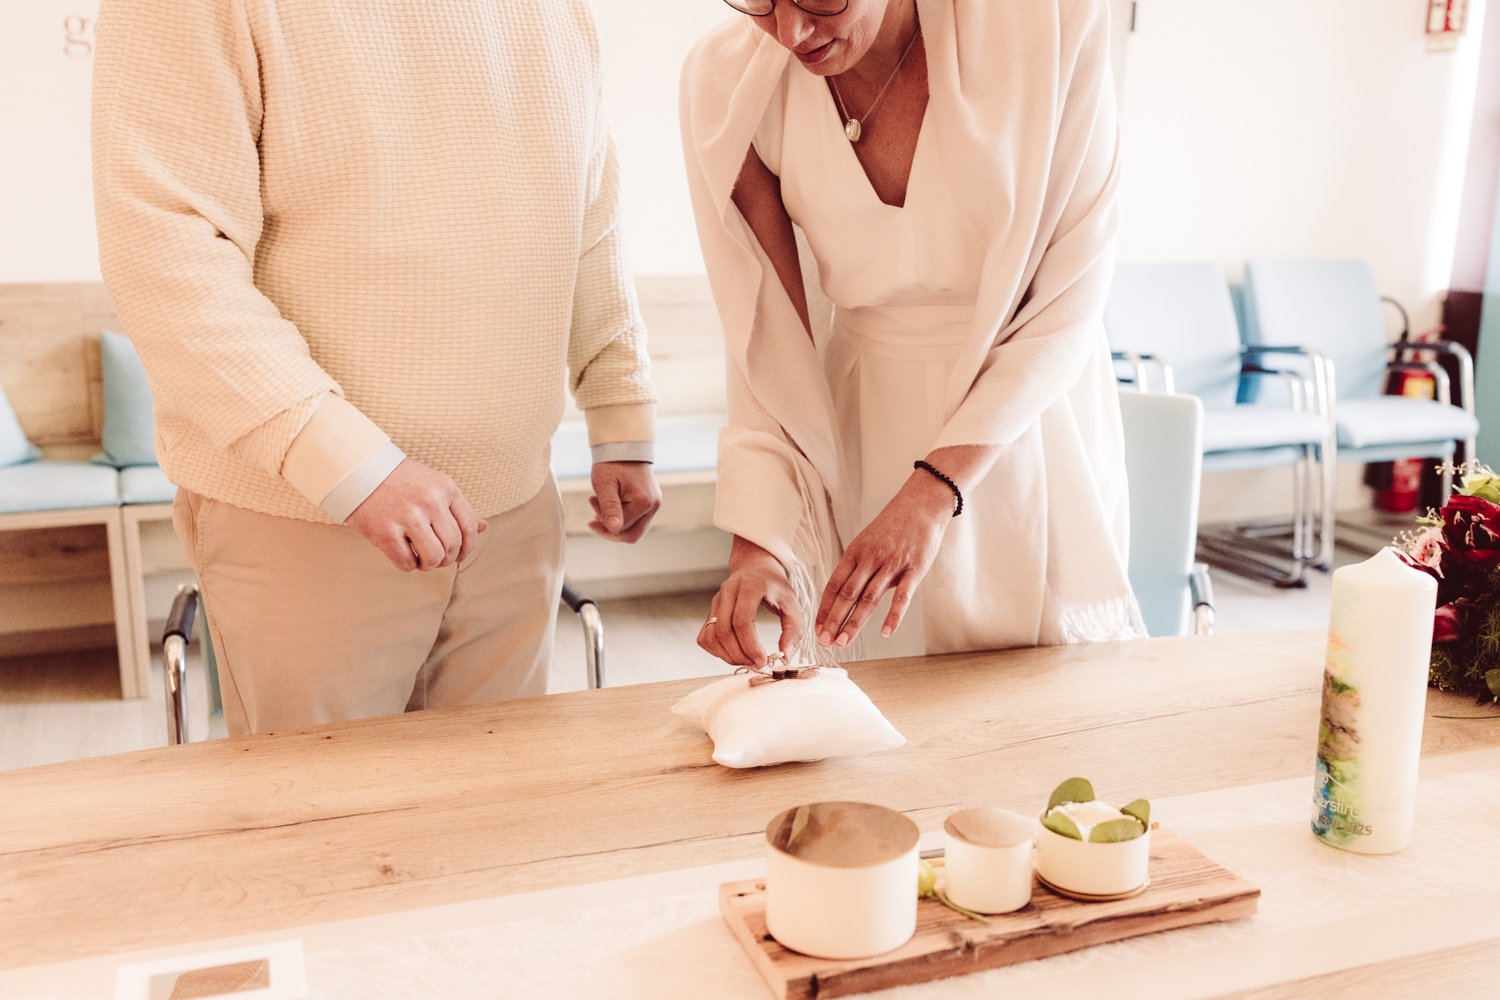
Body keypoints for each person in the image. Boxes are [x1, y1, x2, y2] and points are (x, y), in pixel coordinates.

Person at [92, 0, 660, 734]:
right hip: (304, 517)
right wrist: (351, 466)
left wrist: (620, 416)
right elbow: (166, 247)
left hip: (517, 509)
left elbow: (591, 214)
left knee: (499, 794)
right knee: (322, 805)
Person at [683, 0, 1143, 668]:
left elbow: (1069, 301)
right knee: (883, 701)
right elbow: (766, 343)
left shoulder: (1050, 21)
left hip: (1027, 430)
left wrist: (933, 492)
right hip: (865, 429)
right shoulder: (725, 84)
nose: (790, 32)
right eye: (759, 1)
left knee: (1043, 702)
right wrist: (759, 550)